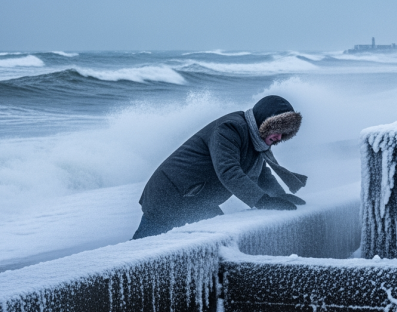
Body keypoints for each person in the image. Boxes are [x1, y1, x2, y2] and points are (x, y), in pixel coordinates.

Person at [132, 95, 307, 239]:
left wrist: (279, 196)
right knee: (141, 248)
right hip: (171, 194)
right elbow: (229, 171)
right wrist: (263, 201)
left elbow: (261, 173)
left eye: (285, 133)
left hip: (197, 200)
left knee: (218, 239)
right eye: (277, 129)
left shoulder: (256, 140)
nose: (279, 137)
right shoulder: (230, 129)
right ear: (264, 122)